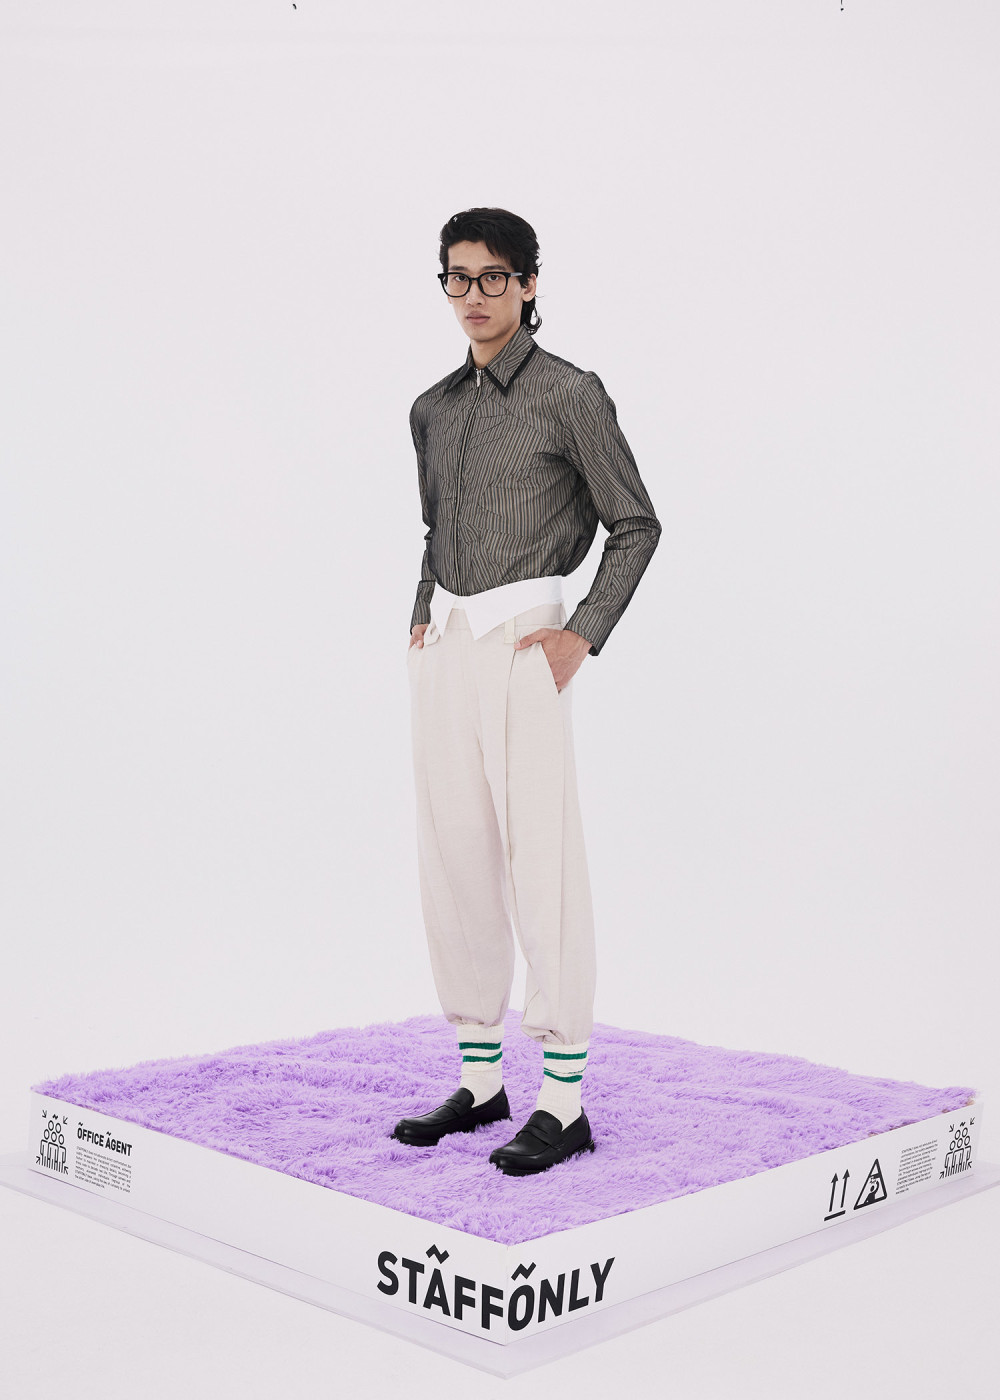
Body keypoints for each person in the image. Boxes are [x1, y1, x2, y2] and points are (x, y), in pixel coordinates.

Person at [391, 207, 662, 1175]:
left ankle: (564, 1099)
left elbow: (636, 522)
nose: (473, 295)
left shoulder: (568, 394)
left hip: (525, 642)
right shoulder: (432, 408)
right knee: (453, 856)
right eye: (457, 277)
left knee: (541, 864)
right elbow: (436, 528)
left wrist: (581, 633)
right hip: (446, 643)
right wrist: (420, 612)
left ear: (529, 284)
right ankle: (480, 1081)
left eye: (493, 277)